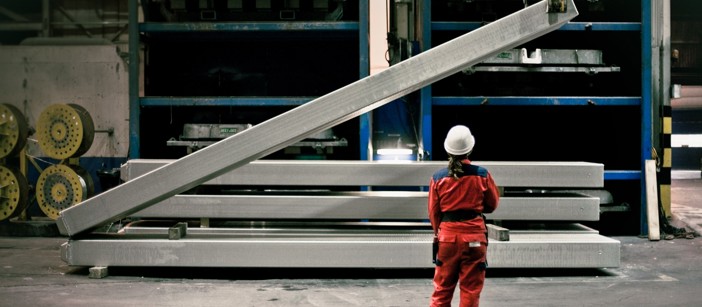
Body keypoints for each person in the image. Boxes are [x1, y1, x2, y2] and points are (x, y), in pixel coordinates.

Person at [428, 125, 500, 307]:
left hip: (448, 239)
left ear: (447, 150)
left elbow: (434, 212)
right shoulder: (482, 175)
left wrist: (439, 232)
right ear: (470, 148)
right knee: (470, 291)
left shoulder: (438, 178)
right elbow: (492, 205)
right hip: (475, 238)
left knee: (442, 291)